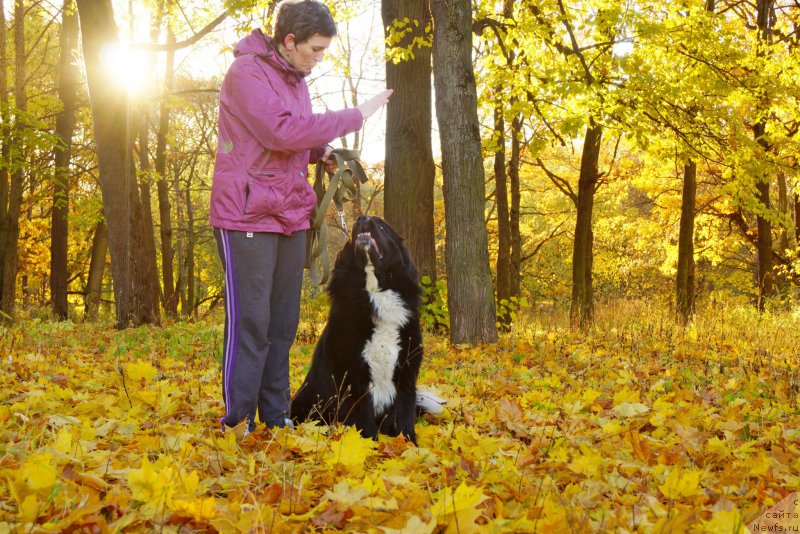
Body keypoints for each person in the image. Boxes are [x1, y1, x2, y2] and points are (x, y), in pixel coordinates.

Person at [209, 0, 392, 434]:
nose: (318, 57)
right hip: (246, 214)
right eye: (315, 49)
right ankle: (239, 422)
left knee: (282, 324)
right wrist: (356, 115)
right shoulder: (247, 73)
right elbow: (279, 130)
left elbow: (295, 130)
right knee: (251, 323)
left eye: (323, 50)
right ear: (289, 41)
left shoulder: (296, 78)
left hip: (289, 212)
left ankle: (275, 417)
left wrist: (321, 151)